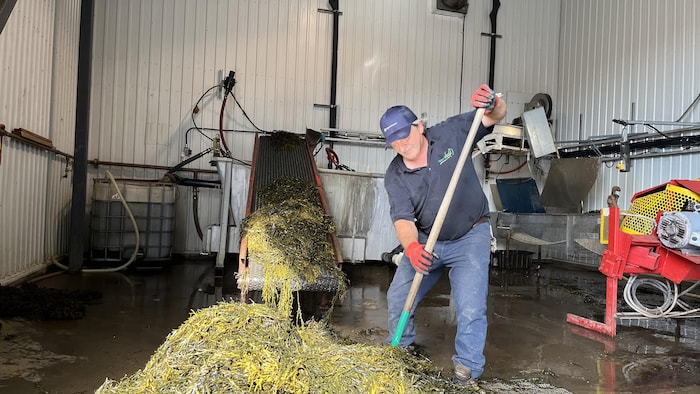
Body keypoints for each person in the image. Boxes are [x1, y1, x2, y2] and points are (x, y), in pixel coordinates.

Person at [379, 84, 506, 387]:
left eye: (405, 136)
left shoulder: (450, 133)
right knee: (399, 295)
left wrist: (491, 103)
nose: (401, 145)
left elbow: (495, 115)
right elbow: (403, 219)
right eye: (393, 142)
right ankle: (402, 349)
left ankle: (467, 370)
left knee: (471, 306)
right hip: (426, 241)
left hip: (469, 235)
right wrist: (411, 248)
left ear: (418, 126)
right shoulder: (395, 175)